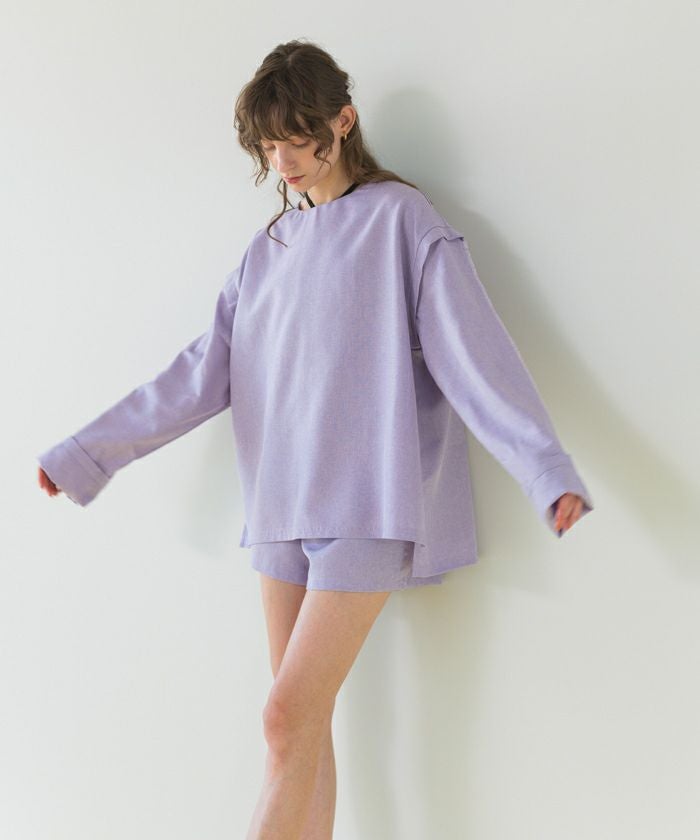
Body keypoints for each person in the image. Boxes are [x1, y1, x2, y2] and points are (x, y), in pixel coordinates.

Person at [36, 39, 594, 840]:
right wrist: (85, 453)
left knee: (283, 717)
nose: (284, 161)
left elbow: (475, 358)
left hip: (369, 501)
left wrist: (546, 471)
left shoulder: (402, 221)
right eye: (269, 146)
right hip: (280, 506)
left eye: (297, 139)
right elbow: (198, 375)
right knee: (302, 729)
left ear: (344, 120)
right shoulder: (267, 252)